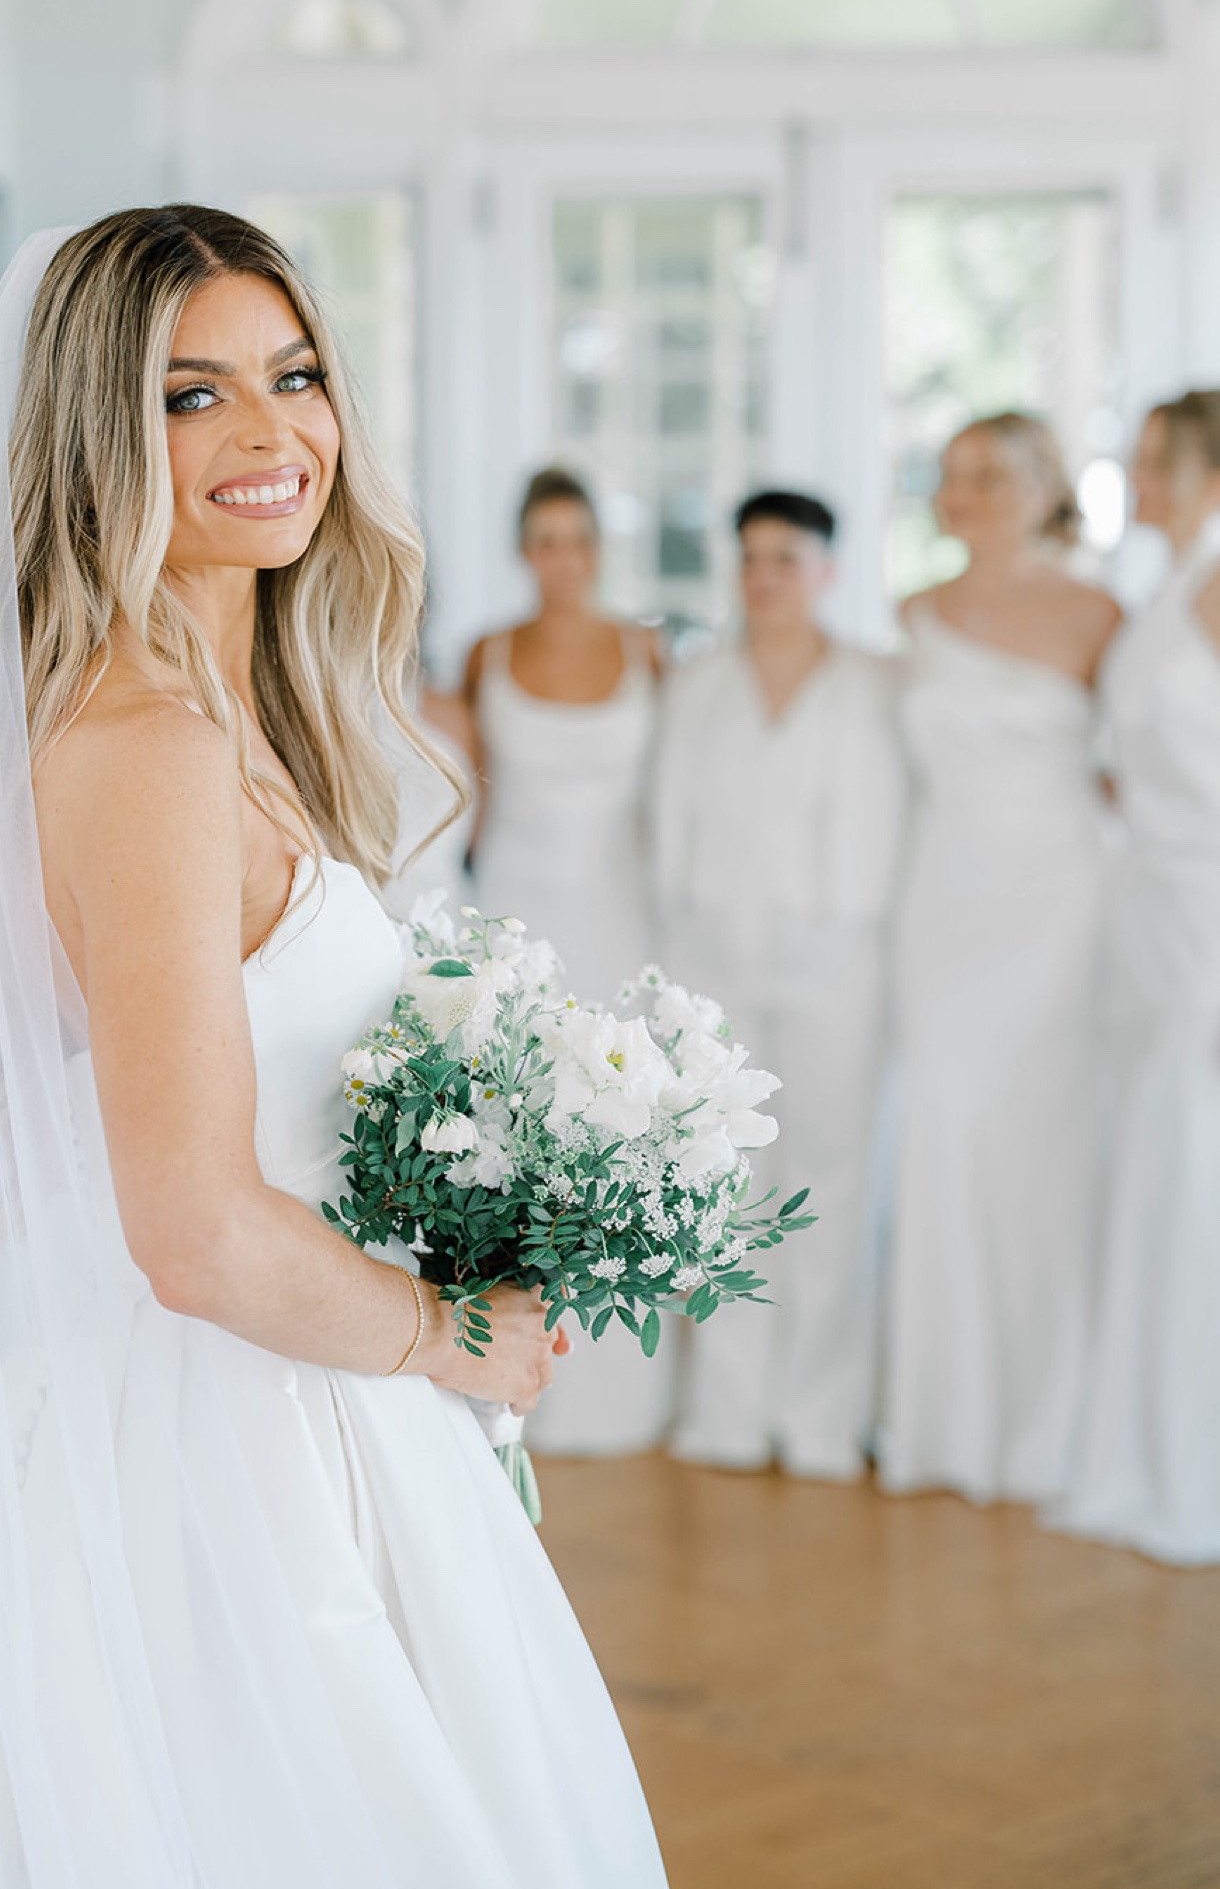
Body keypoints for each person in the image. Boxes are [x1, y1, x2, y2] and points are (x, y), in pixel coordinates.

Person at [0, 211, 675, 1889]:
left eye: (295, 377)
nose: (272, 434)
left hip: (290, 1405)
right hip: (212, 1465)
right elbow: (192, 1229)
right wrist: (449, 1337)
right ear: (95, 434)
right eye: (193, 395)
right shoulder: (140, 743)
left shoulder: (220, 713)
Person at [881, 412, 1122, 1506]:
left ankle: (1045, 1420)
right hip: (943, 905)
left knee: (1042, 1151)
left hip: (1059, 906)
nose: (963, 493)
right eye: (951, 477)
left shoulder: (1102, 615)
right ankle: (943, 1424)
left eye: (986, 475)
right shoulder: (912, 616)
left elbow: (1145, 767)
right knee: (942, 1128)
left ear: (1040, 488)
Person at [653, 490, 905, 1479]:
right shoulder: (699, 685)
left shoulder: (874, 684)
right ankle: (726, 1411)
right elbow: (668, 829)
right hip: (717, 955)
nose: (765, 578)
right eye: (751, 558)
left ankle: (821, 1419)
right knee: (722, 1182)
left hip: (840, 957)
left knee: (832, 1179)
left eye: (786, 559)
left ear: (827, 570)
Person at [462, 469, 669, 1456]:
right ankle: (513, 1368)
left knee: (617, 1129)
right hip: (516, 909)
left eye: (576, 538)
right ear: (522, 549)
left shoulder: (647, 651)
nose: (562, 558)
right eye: (543, 538)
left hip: (619, 914)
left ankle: (622, 1387)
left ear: (597, 547)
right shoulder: (487, 654)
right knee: (518, 1135)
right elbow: (462, 790)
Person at [1053, 390, 1220, 1564]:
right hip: (1150, 909)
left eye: (1154, 456)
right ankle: (1152, 1434)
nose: (1133, 469)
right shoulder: (1168, 589)